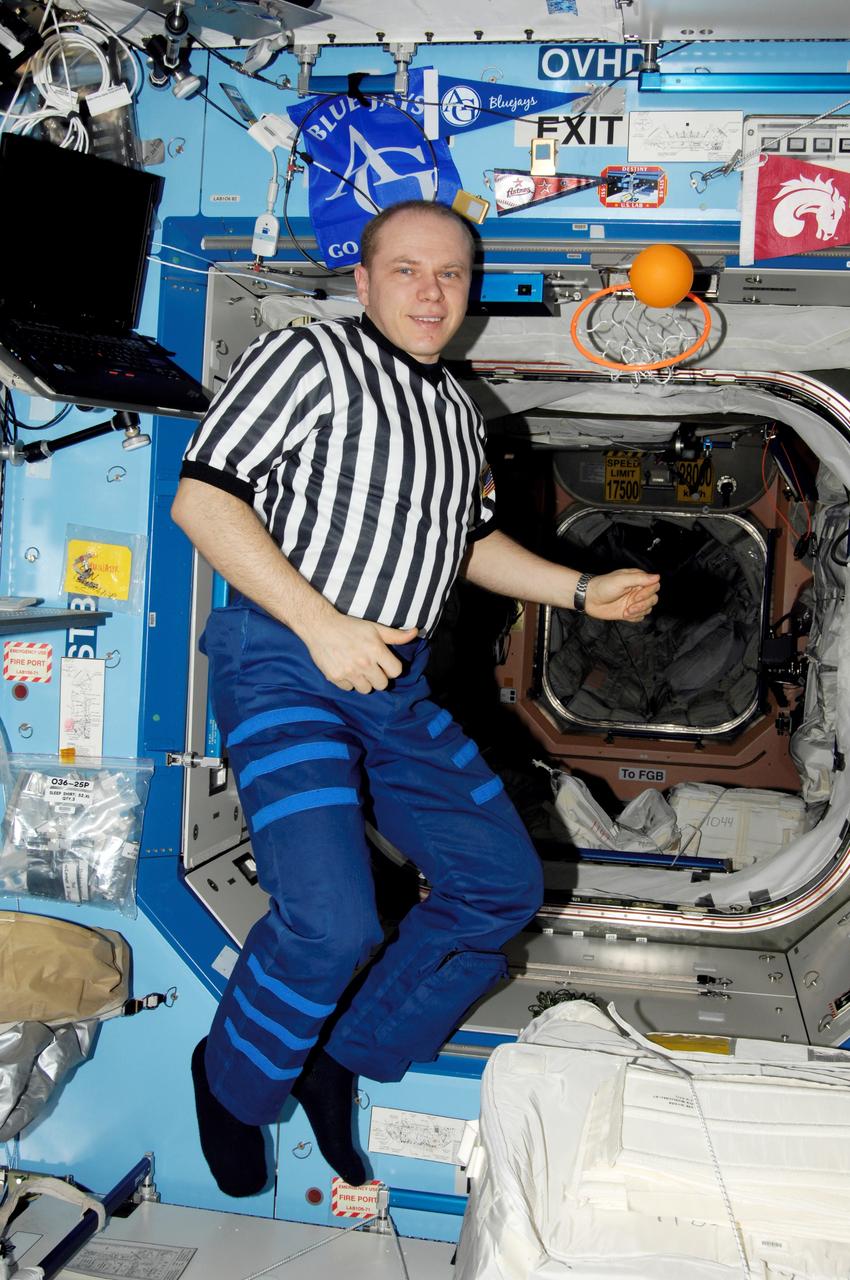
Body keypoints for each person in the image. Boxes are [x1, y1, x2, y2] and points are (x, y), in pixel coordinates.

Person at [172, 198, 659, 1198]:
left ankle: (337, 1059)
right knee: (334, 923)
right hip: (287, 662)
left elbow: (469, 545)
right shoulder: (310, 359)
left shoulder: (458, 414)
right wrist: (321, 624)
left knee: (500, 887)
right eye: (406, 270)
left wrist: (577, 587)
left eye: (450, 275)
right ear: (362, 280)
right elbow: (203, 498)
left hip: (394, 681)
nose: (432, 293)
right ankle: (230, 1079)